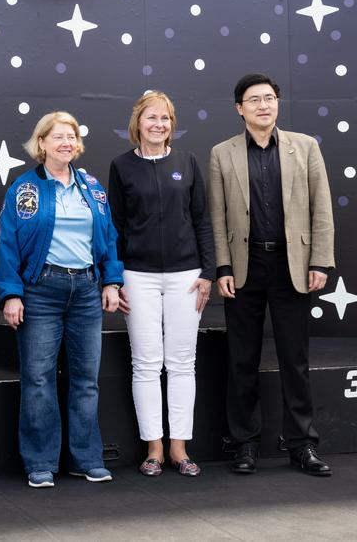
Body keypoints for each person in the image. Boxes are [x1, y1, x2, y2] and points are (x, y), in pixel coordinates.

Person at [208, 73, 335, 477]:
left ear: (277, 103)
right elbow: (216, 217)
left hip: (292, 267)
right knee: (241, 360)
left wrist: (320, 261)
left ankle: (302, 445)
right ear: (239, 108)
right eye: (254, 99)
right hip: (244, 270)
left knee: (294, 361)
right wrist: (223, 267)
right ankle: (243, 444)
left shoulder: (306, 147)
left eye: (270, 98)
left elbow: (322, 209)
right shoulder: (221, 153)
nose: (264, 105)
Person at [0, 111, 125, 488]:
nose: (66, 143)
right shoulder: (24, 189)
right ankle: (40, 462)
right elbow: (6, 245)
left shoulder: (93, 187)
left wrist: (111, 281)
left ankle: (87, 459)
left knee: (86, 380)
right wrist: (12, 294)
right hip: (41, 291)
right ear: (41, 144)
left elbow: (109, 237)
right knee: (38, 379)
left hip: (86, 290)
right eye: (57, 137)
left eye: (71, 136)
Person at [107, 91, 215, 478]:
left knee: (183, 364)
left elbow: (202, 219)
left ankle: (179, 449)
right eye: (151, 118)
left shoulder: (187, 162)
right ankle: (153, 448)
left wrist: (208, 272)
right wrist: (114, 277)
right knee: (146, 364)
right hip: (138, 277)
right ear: (137, 123)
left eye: (165, 118)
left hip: (187, 277)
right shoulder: (120, 167)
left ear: (172, 123)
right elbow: (115, 226)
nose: (158, 125)